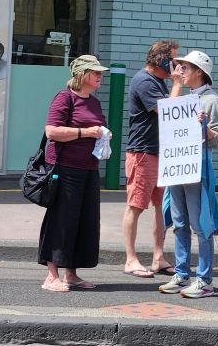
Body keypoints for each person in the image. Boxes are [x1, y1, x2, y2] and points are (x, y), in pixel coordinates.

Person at [38, 55, 111, 292]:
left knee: (83, 221)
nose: (100, 76)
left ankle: (71, 274)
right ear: (81, 75)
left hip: (89, 168)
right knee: (62, 220)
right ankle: (51, 275)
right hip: (65, 168)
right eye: (95, 72)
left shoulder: (94, 102)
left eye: (100, 72)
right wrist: (85, 133)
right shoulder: (64, 98)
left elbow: (96, 129)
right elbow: (51, 131)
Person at [158, 50, 218, 299]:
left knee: (200, 225)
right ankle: (182, 273)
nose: (181, 71)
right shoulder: (188, 98)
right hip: (178, 168)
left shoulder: (212, 100)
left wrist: (206, 128)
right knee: (179, 223)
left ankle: (205, 280)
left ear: (200, 72)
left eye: (186, 67)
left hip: (196, 169)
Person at [122, 39, 180, 278]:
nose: (177, 64)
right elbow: (170, 110)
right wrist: (177, 83)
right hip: (143, 152)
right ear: (163, 60)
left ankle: (158, 257)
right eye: (174, 60)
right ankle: (130, 259)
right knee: (136, 205)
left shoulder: (157, 81)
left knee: (160, 207)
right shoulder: (145, 81)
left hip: (158, 152)